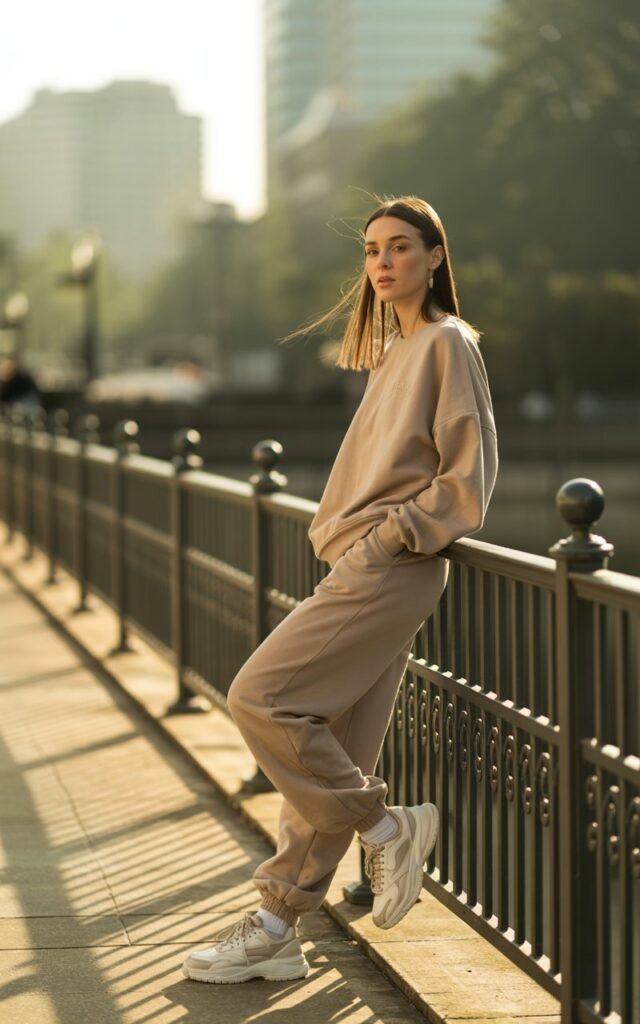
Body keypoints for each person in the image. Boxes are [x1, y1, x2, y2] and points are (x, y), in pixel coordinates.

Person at [182, 195, 499, 985]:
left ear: (435, 257)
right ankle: (277, 927)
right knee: (334, 750)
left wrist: (391, 537)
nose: (383, 262)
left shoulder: (448, 343)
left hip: (390, 566)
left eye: (399, 247)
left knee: (261, 698)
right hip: (368, 565)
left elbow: (468, 479)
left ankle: (388, 825)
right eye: (371, 250)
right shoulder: (398, 349)